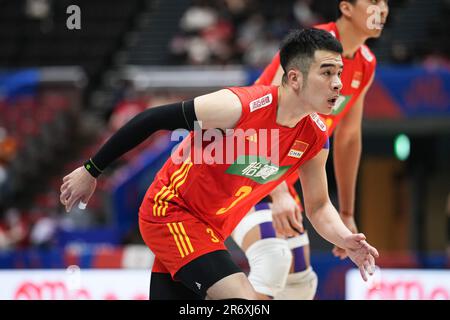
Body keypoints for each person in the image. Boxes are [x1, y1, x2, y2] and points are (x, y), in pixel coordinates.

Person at [59, 28, 379, 300]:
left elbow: (320, 207)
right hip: (171, 212)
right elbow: (150, 119)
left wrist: (344, 239)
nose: (338, 83)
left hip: (212, 229)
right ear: (294, 78)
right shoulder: (238, 106)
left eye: (339, 73)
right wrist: (91, 171)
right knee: (244, 301)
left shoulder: (315, 137)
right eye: (327, 72)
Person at [231, 0, 389, 300]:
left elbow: (348, 138)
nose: (381, 9)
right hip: (245, 164)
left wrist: (346, 212)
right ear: (346, 8)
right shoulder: (311, 47)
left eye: (385, 3)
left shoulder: (366, 63)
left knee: (300, 284)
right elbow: (260, 111)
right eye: (373, 2)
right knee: (274, 261)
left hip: (281, 176)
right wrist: (276, 192)